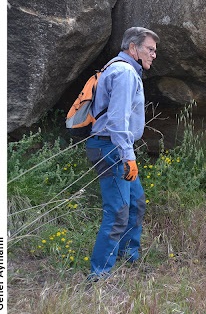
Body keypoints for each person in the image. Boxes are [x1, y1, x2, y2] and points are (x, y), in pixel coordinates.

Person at [85, 27, 159, 281]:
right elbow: (117, 121)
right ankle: (100, 275)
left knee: (135, 203)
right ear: (133, 48)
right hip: (112, 148)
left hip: (113, 146)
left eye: (154, 50)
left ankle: (128, 259)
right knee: (117, 211)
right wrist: (128, 156)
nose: (153, 54)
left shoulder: (121, 68)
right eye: (150, 49)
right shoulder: (125, 72)